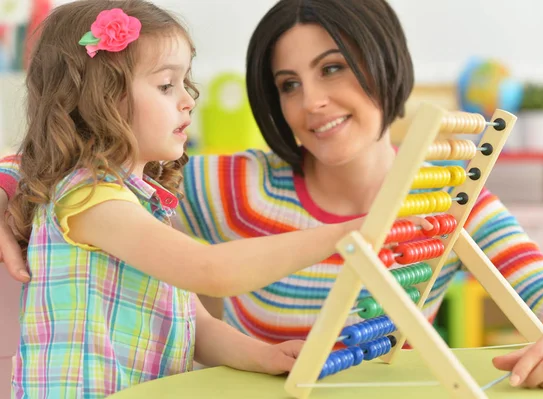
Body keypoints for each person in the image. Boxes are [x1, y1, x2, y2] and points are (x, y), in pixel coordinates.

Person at [2, 0, 543, 391]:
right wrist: (8, 191)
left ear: (385, 64)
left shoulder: (445, 206)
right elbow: (71, 167)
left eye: (333, 68)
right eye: (289, 84)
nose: (311, 100)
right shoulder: (230, 187)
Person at [0, 1, 388, 397]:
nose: (188, 99)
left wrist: (264, 355)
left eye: (186, 82)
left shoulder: (144, 203)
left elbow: (194, 326)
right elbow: (211, 271)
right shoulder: (89, 199)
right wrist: (348, 233)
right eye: (166, 85)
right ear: (100, 98)